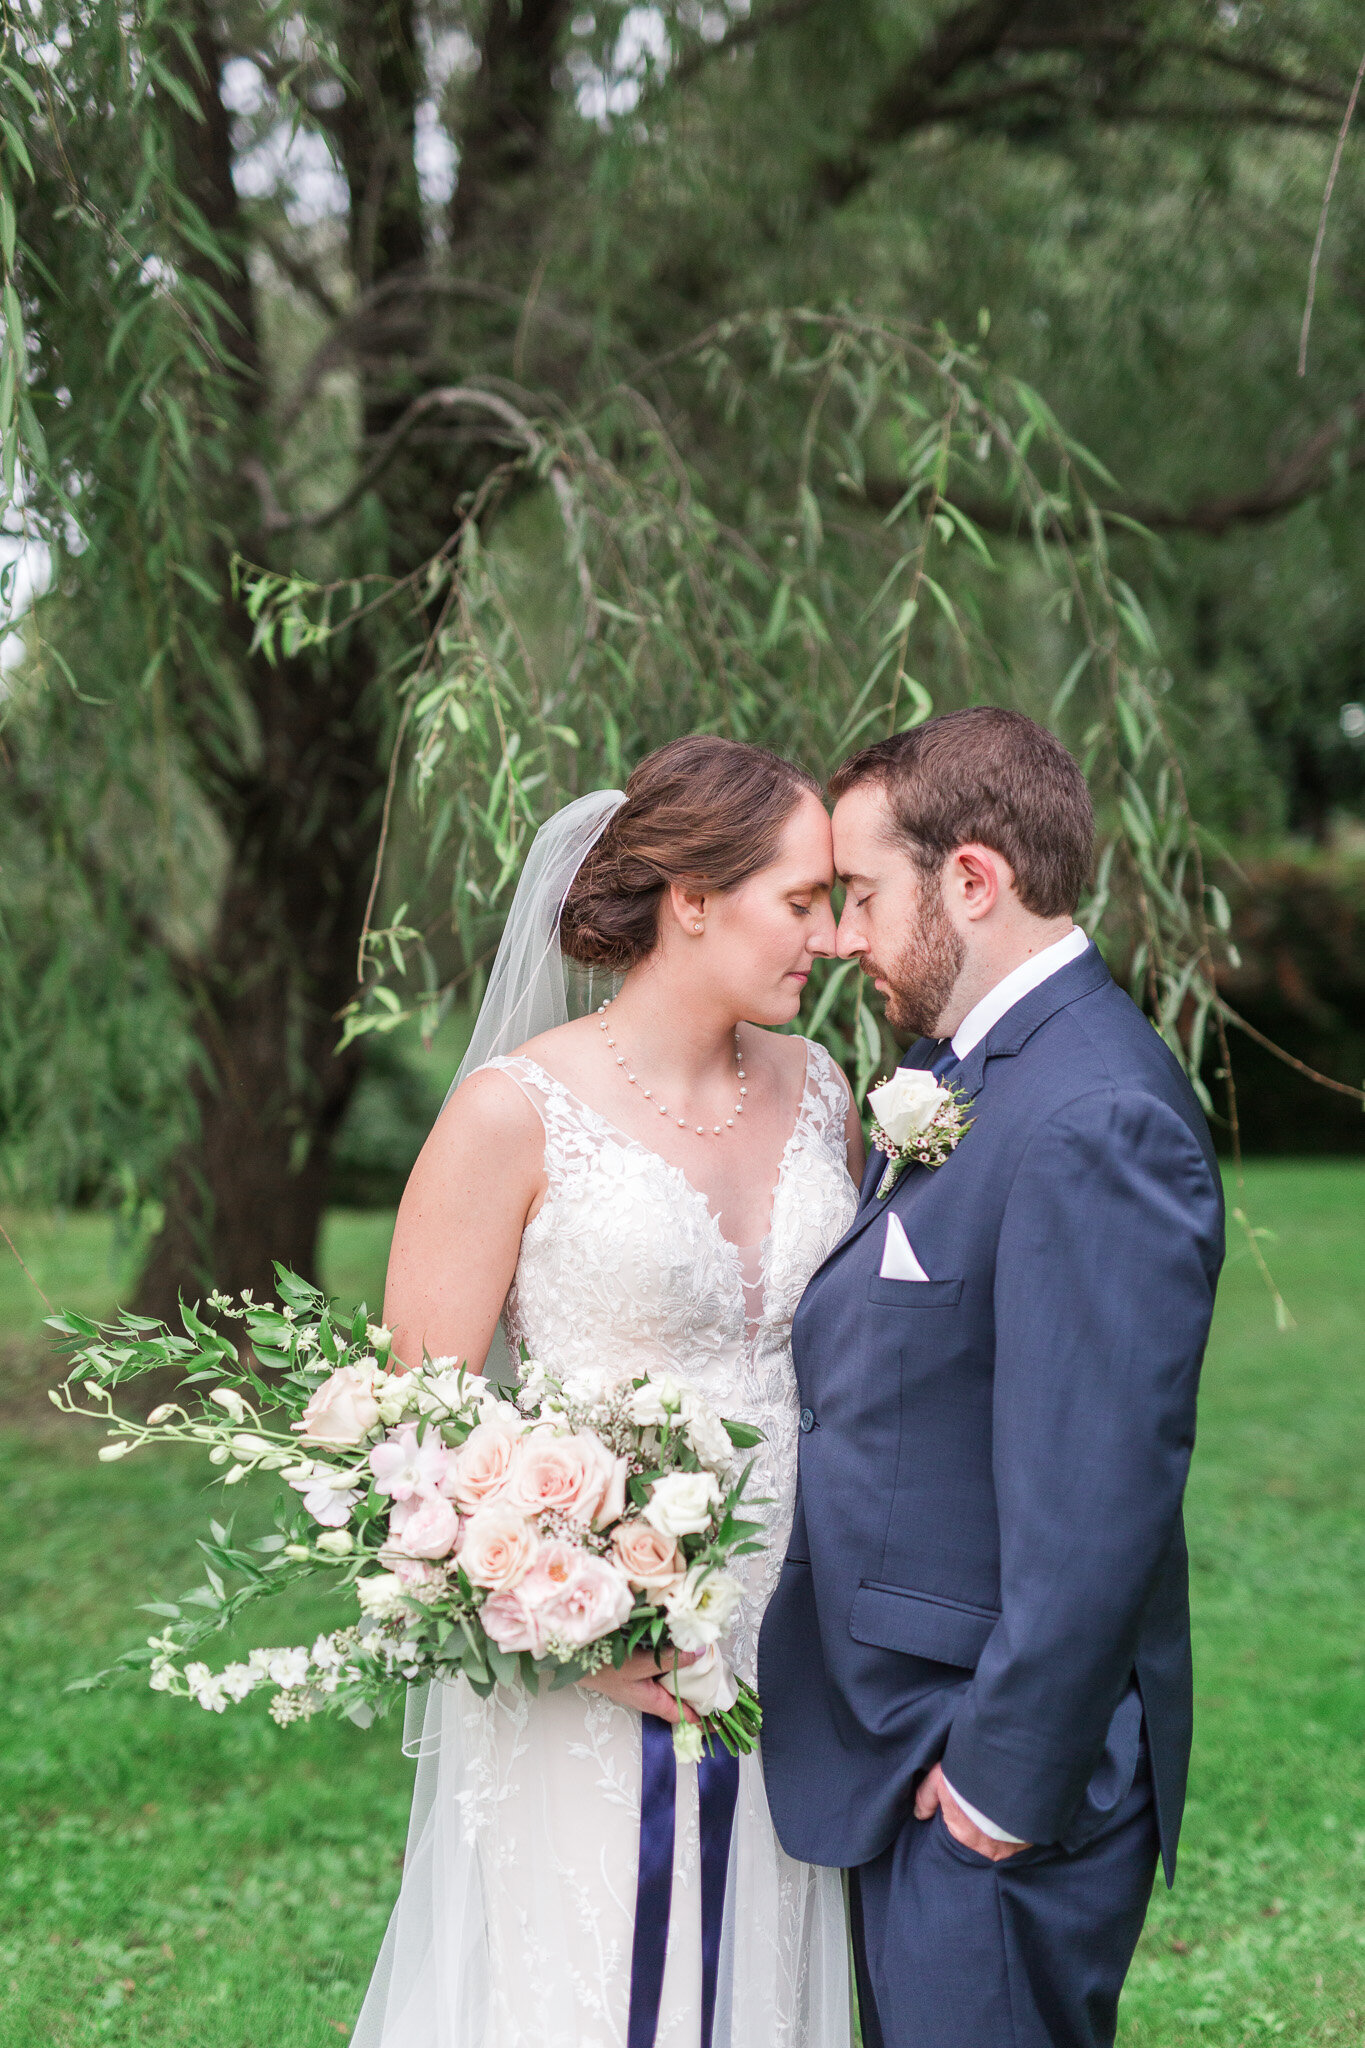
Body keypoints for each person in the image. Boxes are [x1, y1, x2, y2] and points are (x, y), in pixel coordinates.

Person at [352, 736, 863, 2048]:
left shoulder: (824, 1094)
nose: (833, 936)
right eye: (800, 902)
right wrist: (574, 1623)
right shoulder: (510, 1115)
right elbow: (411, 1438)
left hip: (795, 1624)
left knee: (764, 1956)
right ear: (691, 899)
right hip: (594, 1667)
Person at [759, 707, 1226, 2048]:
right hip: (907, 1733)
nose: (838, 937)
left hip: (997, 1774)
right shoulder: (964, 1072)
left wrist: (997, 1791)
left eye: (857, 894)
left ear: (972, 880)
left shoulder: (1096, 1115)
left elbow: (1099, 1494)